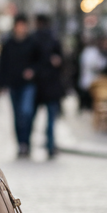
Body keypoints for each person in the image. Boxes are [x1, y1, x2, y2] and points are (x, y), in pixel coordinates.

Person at [0, 14, 40, 158]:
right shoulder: (8, 43)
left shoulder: (33, 42)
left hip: (28, 84)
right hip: (13, 84)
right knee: (16, 115)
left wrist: (32, 71)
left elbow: (39, 61)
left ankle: (26, 142)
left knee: (26, 112)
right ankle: (21, 144)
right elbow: (3, 65)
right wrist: (0, 84)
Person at [31, 15, 64, 158]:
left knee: (31, 117)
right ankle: (50, 146)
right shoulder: (54, 39)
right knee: (50, 119)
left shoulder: (33, 39)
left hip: (37, 85)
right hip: (51, 85)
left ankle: (26, 144)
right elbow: (61, 62)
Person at [77, 38, 107, 112]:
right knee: (88, 93)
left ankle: (86, 106)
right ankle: (86, 107)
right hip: (90, 76)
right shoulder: (92, 52)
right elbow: (96, 64)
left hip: (89, 77)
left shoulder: (87, 52)